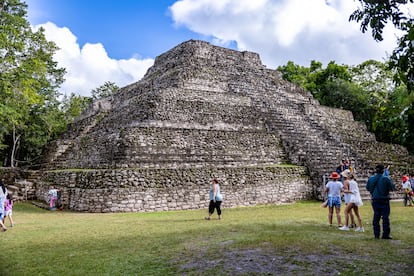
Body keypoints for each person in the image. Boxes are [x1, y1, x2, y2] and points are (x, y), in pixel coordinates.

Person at [366, 164, 396, 239]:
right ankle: (385, 234)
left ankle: (376, 234)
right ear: (383, 170)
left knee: (376, 216)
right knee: (385, 217)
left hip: (375, 199)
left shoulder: (371, 179)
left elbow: (368, 188)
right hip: (384, 199)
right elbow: (392, 188)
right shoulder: (386, 179)